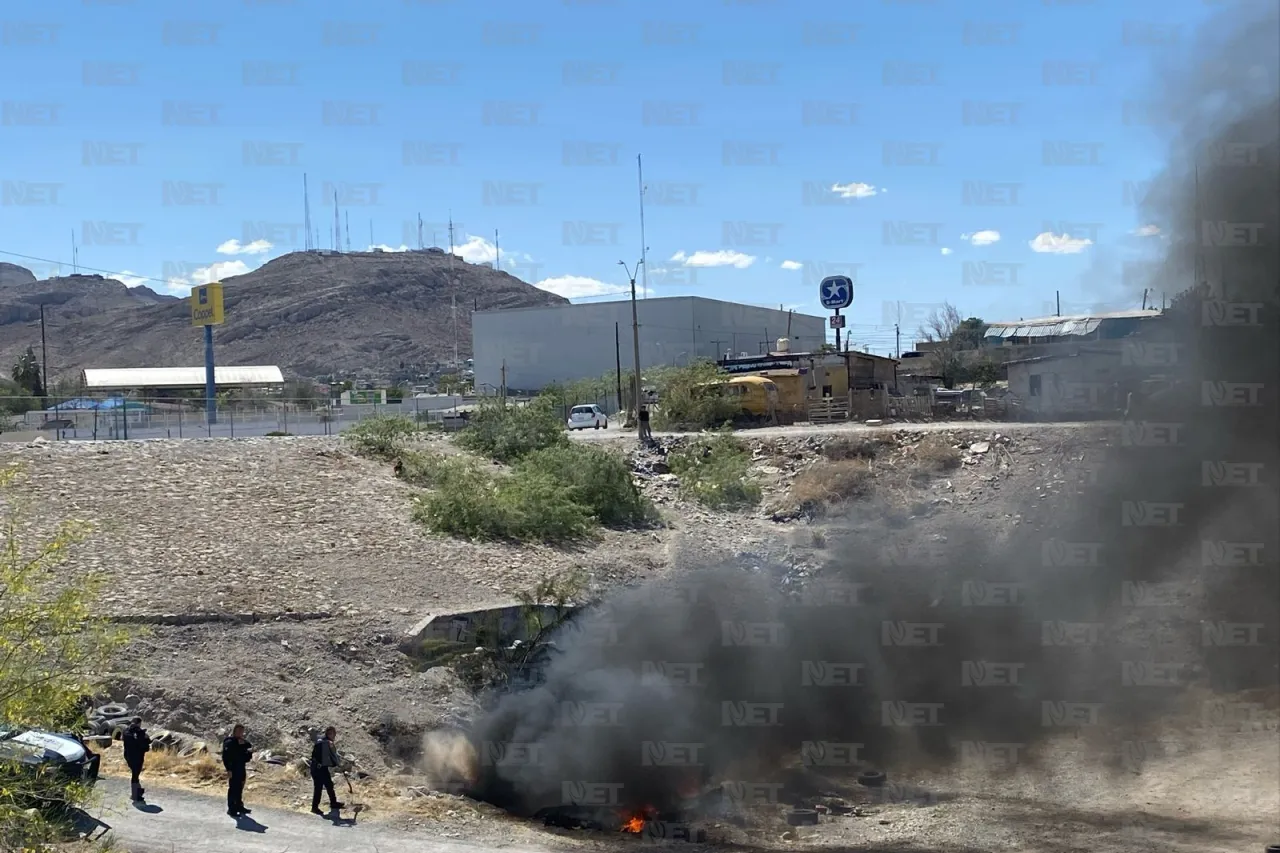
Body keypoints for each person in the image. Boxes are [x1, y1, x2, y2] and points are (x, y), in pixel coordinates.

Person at [309, 726, 345, 815]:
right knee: (318, 787)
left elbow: (330, 757)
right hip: (317, 768)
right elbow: (329, 756)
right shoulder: (324, 742)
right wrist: (337, 763)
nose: (334, 736)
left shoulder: (326, 741)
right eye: (333, 734)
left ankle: (333, 803)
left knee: (329, 785)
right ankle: (314, 807)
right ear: (329, 733)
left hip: (321, 768)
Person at [222, 724, 254, 817]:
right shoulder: (229, 741)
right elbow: (226, 757)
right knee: (233, 788)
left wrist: (247, 750)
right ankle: (231, 809)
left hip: (241, 767)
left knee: (240, 787)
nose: (240, 733)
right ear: (234, 731)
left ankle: (239, 806)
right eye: (239, 731)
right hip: (233, 768)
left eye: (242, 731)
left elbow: (248, 750)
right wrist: (228, 769)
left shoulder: (243, 742)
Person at [121, 717, 151, 804]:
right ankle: (135, 794)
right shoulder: (140, 733)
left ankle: (137, 791)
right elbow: (146, 743)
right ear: (138, 723)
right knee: (135, 775)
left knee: (135, 773)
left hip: (128, 756)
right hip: (137, 757)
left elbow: (123, 739)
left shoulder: (126, 731)